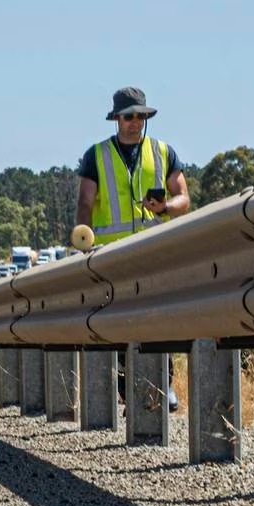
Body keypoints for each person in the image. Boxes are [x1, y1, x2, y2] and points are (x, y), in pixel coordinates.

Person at [76, 86, 191, 411]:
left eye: (141, 116)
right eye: (129, 116)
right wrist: (84, 240)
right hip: (112, 257)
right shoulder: (95, 156)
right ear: (116, 119)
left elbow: (184, 198)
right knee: (120, 323)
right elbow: (85, 202)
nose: (135, 122)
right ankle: (128, 389)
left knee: (159, 320)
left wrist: (165, 206)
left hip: (153, 254)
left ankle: (163, 386)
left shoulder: (163, 152)